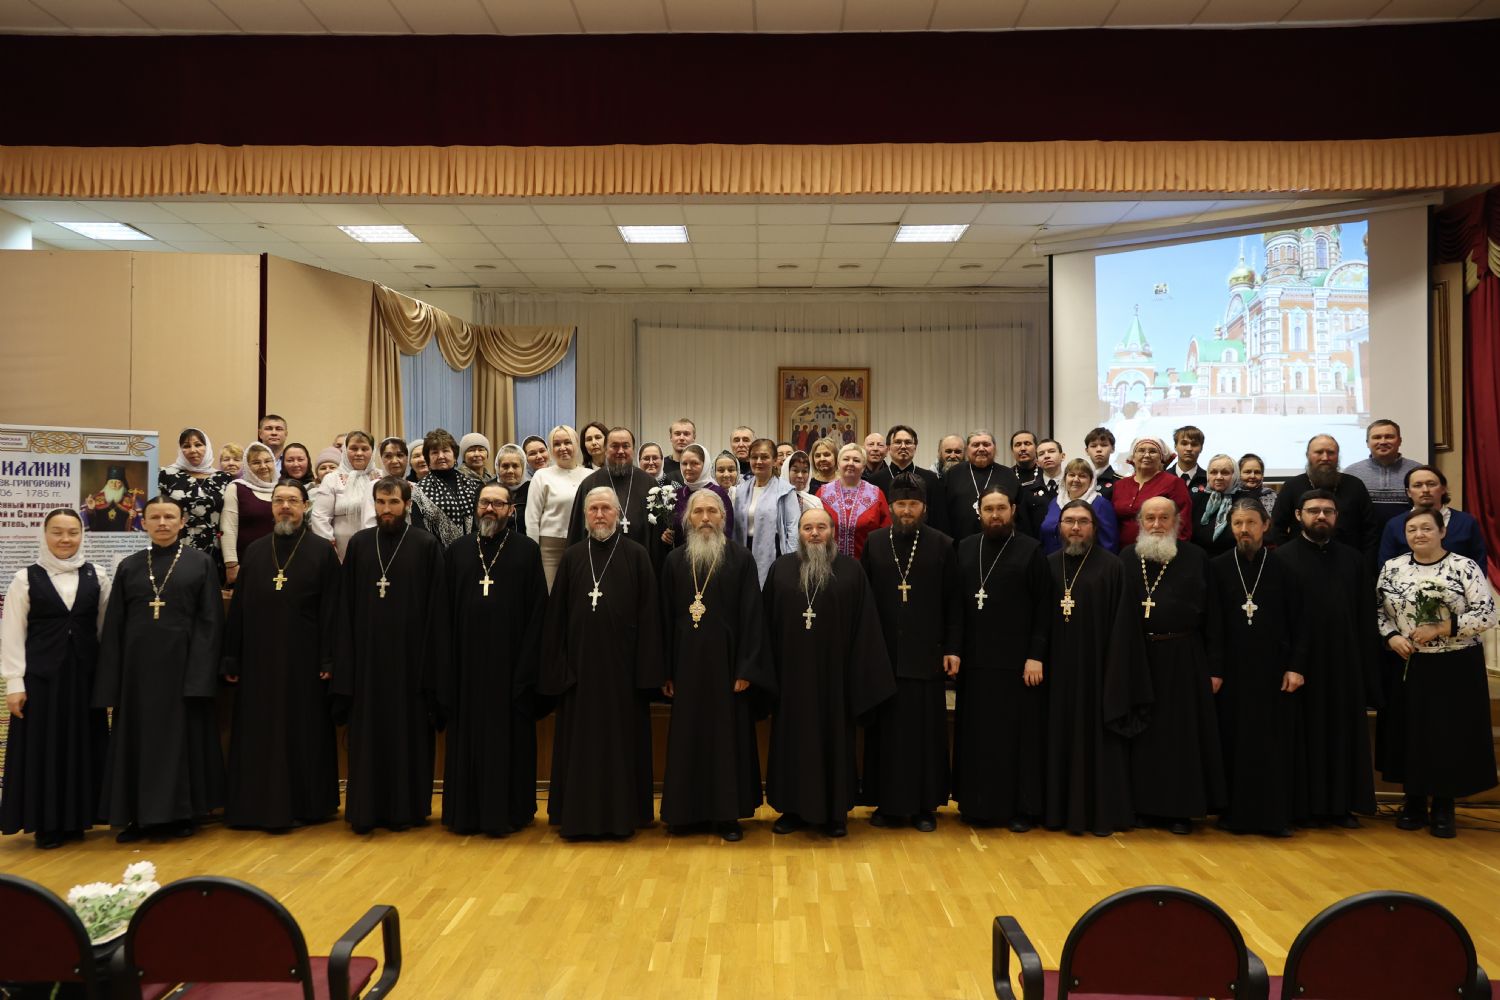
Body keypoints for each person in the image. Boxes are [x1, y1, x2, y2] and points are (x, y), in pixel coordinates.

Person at [94, 495, 225, 841]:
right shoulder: (130, 566)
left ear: (182, 522)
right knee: (138, 744)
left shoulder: (200, 563)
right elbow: (115, 626)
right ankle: (138, 817)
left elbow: (210, 623)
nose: (163, 523)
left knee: (180, 744)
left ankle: (182, 815)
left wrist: (200, 676)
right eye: (155, 517)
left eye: (169, 517)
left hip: (183, 670)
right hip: (137, 675)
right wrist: (112, 681)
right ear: (144, 523)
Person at [538, 487, 664, 839]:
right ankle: (577, 818)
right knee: (580, 747)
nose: (599, 515)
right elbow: (556, 619)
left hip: (623, 676)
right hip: (578, 675)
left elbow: (650, 617)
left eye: (606, 508)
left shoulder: (637, 555)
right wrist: (560, 669)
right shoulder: (573, 556)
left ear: (618, 514)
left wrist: (646, 675)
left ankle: (624, 816)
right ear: (584, 516)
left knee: (621, 746)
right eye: (593, 509)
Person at [763, 507, 894, 838]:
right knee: (792, 741)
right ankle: (792, 809)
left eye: (821, 527)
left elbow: (866, 627)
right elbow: (765, 627)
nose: (814, 533)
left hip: (836, 680)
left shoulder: (851, 571)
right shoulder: (781, 569)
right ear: (799, 533)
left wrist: (859, 678)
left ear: (832, 532)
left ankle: (835, 813)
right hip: (791, 679)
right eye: (808, 528)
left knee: (835, 741)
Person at [220, 479, 341, 831]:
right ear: (271, 507)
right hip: (258, 659)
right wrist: (232, 656)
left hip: (305, 660)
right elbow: (239, 609)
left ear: (306, 506)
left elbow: (332, 611)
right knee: (260, 731)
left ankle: (307, 804)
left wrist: (328, 659)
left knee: (302, 731)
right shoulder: (256, 551)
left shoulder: (322, 552)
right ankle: (255, 804)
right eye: (279, 501)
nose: (285, 507)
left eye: (292, 501)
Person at [333, 476, 450, 834]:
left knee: (408, 734)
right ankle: (366, 809)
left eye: (393, 503)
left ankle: (407, 809)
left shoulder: (426, 544)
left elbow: (437, 609)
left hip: (410, 663)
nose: (386, 510)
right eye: (381, 503)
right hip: (367, 662)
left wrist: (431, 665)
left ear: (407, 505)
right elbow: (345, 605)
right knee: (368, 736)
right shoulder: (359, 544)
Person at [659, 489, 775, 841]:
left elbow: (753, 617)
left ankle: (727, 816)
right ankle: (684, 813)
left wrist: (746, 669)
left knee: (727, 740)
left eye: (713, 511)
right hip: (686, 667)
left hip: (728, 668)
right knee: (688, 738)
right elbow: (663, 619)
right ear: (688, 519)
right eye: (699, 512)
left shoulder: (740, 559)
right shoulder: (674, 561)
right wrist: (666, 671)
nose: (706, 518)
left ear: (724, 518)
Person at [1376, 508, 1499, 838]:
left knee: (1448, 735)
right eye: (1412, 529)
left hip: (1455, 664)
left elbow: (1487, 614)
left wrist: (1442, 627)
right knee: (1412, 733)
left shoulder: (1464, 566)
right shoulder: (1392, 567)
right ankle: (1413, 801)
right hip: (1409, 662)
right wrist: (1392, 636)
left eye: (1427, 528)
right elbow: (1377, 611)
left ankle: (1444, 805)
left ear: (1442, 532)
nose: (1419, 534)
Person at [1111, 496, 1226, 834]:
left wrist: (1215, 668)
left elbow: (1214, 617)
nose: (1157, 525)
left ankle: (1179, 810)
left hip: (1183, 656)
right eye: (1150, 518)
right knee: (1142, 734)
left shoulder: (1196, 557)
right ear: (1139, 523)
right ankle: (1142, 807)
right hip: (1137, 656)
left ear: (1177, 522)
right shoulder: (1126, 558)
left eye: (1164, 518)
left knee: (1180, 736)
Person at [442, 482, 548, 837]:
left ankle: (510, 812)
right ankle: (465, 813)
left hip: (510, 667)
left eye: (498, 504)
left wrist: (527, 667)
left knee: (509, 740)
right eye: (484, 502)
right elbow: (442, 610)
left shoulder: (527, 551)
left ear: (511, 510)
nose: (490, 509)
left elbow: (538, 611)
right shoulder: (457, 551)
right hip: (466, 667)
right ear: (476, 507)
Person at [0, 509, 111, 848]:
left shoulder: (98, 575)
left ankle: (78, 819)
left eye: (73, 532)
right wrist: (14, 683)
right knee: (44, 750)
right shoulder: (25, 578)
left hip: (84, 679)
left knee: (82, 747)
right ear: (45, 534)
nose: (65, 539)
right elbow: (12, 634)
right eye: (58, 532)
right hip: (42, 681)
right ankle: (47, 823)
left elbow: (104, 630)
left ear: (82, 535)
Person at [860, 473, 961, 832]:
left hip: (926, 653)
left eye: (913, 504)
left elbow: (954, 602)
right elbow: (864, 601)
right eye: (900, 504)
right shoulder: (875, 543)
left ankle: (924, 807)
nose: (906, 511)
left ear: (924, 508)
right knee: (886, 735)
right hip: (883, 654)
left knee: (925, 734)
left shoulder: (943, 545)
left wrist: (952, 648)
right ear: (890, 507)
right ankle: (887, 804)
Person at [1274, 488, 1379, 827]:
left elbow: (1365, 616)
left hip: (1343, 662)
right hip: (1299, 665)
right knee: (1302, 735)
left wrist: (1365, 667)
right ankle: (1301, 807)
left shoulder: (1353, 560)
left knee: (1340, 734)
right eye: (1313, 510)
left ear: (1337, 517)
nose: (1321, 516)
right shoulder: (1281, 559)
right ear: (1298, 516)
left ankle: (1340, 807)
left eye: (1328, 511)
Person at [951, 487, 1050, 829]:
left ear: (1013, 511)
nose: (995, 515)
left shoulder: (1031, 550)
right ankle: (976, 804)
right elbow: (956, 604)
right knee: (977, 736)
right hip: (975, 663)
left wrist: (1035, 656)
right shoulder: (966, 547)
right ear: (979, 512)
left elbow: (1043, 608)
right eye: (989, 509)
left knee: (1014, 738)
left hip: (1016, 664)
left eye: (1001, 509)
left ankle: (1020, 809)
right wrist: (954, 649)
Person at [1210, 499, 1306, 837]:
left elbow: (1301, 622)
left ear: (1265, 525)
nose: (1244, 530)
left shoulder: (1284, 568)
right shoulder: (1217, 567)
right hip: (1233, 672)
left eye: (1250, 523)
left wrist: (1295, 666)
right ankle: (1234, 815)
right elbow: (1212, 625)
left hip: (1273, 671)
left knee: (1272, 745)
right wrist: (1214, 669)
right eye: (1238, 523)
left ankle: (1274, 817)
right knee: (1235, 742)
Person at [1043, 500, 1136, 836]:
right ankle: (1054, 811)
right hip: (1055, 672)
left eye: (1083, 522)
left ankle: (1098, 813)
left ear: (1095, 528)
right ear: (1059, 527)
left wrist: (1114, 673)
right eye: (1069, 521)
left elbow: (1123, 626)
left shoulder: (1112, 567)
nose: (1076, 528)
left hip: (1097, 672)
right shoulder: (1048, 565)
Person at [1270, 434, 1378, 555]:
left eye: (1331, 453)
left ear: (1338, 456)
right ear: (1307, 455)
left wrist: (1364, 562)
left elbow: (1370, 529)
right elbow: (1277, 528)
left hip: (1347, 559)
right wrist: (1287, 557)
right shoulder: (1292, 486)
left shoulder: (1355, 485)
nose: (1325, 457)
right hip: (1300, 559)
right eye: (1319, 452)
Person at [1377, 465, 1487, 568]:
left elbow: (1479, 564)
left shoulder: (1466, 522)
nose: (1425, 490)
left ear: (1443, 489)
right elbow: (1386, 566)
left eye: (1431, 484)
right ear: (1409, 492)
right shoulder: (1394, 525)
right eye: (1418, 485)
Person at [159, 427, 234, 576]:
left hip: (215, 547)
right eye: (186, 446)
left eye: (198, 445)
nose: (193, 450)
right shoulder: (167, 475)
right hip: (178, 544)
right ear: (180, 450)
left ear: (207, 447)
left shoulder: (223, 478)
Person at [566, 427, 658, 547]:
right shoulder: (589, 484)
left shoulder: (649, 484)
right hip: (598, 556)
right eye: (614, 446)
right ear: (605, 449)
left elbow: (657, 534)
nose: (620, 451)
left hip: (640, 555)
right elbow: (577, 532)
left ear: (633, 449)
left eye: (626, 446)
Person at [525, 424, 591, 590]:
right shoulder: (542, 476)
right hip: (550, 549)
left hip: (583, 544)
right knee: (550, 594)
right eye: (556, 444)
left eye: (567, 442)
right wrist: (533, 553)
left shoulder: (590, 475)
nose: (562, 448)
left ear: (576, 444)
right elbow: (532, 518)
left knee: (578, 593)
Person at [733, 438, 801, 586]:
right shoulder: (740, 490)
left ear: (775, 460)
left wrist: (790, 561)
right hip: (743, 549)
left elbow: (793, 528)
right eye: (754, 457)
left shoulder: (785, 490)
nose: (759, 461)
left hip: (773, 551)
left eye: (764, 457)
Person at [310, 430, 379, 560]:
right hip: (339, 551)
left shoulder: (381, 478)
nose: (359, 453)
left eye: (364, 449)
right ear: (345, 451)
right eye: (354, 448)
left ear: (373, 451)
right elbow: (320, 517)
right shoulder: (332, 479)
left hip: (376, 548)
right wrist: (330, 548)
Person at [1111, 435, 1190, 547]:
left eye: (1153, 451)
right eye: (1141, 450)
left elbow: (1183, 521)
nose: (1146, 455)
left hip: (1160, 550)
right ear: (1133, 456)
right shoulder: (1120, 485)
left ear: (1161, 458)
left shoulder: (1174, 483)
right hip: (1123, 551)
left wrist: (1176, 548)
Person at [1346, 418, 1423, 533]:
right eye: (1377, 437)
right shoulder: (1351, 473)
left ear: (1399, 441)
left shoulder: (1418, 471)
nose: (1383, 441)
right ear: (1367, 443)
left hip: (1407, 538)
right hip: (1364, 540)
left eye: (1389, 437)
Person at [943, 429, 1022, 541]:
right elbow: (943, 513)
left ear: (994, 448)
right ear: (967, 449)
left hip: (1002, 541)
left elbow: (1019, 515)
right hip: (959, 543)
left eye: (986, 444)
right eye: (975, 445)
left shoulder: (1009, 475)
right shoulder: (953, 474)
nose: (981, 449)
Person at [817, 443, 891, 560]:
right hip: (828, 562)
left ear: (863, 467)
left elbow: (886, 531)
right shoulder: (823, 492)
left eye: (856, 460)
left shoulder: (876, 494)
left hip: (866, 563)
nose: (850, 463)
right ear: (838, 464)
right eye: (846, 459)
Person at [411, 428, 482, 547]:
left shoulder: (472, 485)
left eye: (445, 451)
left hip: (472, 550)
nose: (441, 456)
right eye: (434, 452)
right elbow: (419, 531)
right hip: (436, 553)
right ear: (428, 459)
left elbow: (480, 522)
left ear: (455, 456)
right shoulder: (419, 490)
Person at [868, 424, 947, 532]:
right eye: (898, 442)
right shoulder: (874, 481)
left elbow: (939, 520)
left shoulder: (930, 479)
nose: (903, 446)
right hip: (885, 539)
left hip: (923, 538)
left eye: (908, 442)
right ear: (888, 447)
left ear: (915, 447)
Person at [221, 442, 278, 585]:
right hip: (247, 560)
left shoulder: (282, 487)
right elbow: (228, 528)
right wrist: (231, 564)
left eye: (267, 461)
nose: (263, 466)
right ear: (247, 466)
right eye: (256, 462)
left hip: (280, 559)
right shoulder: (236, 488)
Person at [659, 444, 733, 547]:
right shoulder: (677, 494)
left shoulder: (718, 494)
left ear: (705, 465)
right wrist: (668, 535)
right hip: (681, 554)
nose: (688, 468)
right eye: (684, 463)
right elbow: (676, 529)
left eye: (694, 463)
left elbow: (727, 532)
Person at [1039, 458, 1118, 554]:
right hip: (1052, 560)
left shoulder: (1101, 504)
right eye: (1071, 475)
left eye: (1082, 476)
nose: (1076, 479)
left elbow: (1109, 545)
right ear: (1064, 478)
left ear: (1091, 481)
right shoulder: (1055, 502)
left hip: (1089, 561)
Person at [1189, 454, 1239, 558]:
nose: (1219, 477)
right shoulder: (1196, 498)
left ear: (1235, 475)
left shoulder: (1245, 500)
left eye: (1225, 473)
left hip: (1233, 558)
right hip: (1199, 558)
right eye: (1214, 472)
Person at [1019, 438, 1066, 536]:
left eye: (1051, 451)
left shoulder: (1073, 486)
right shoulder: (1028, 490)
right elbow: (1025, 526)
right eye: (1041, 454)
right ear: (1037, 462)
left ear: (1062, 456)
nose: (1047, 456)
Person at [82, 462, 146, 532]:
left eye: (117, 482)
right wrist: (90, 509)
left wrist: (135, 517)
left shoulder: (132, 501)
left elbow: (140, 524)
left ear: (122, 484)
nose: (114, 485)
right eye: (111, 482)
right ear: (107, 483)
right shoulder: (95, 498)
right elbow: (90, 524)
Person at [494, 443, 528, 535]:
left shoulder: (533, 489)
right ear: (498, 468)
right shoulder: (488, 490)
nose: (510, 471)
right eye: (505, 466)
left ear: (523, 468)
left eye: (515, 466)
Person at [781, 449, 824, 514]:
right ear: (786, 471)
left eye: (804, 471)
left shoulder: (814, 503)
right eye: (795, 470)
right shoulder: (775, 499)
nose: (800, 475)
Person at [1167, 425, 1207, 491]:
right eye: (1184, 444)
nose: (1189, 449)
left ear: (1201, 448)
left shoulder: (1208, 480)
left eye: (1194, 444)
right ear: (1175, 446)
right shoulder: (1162, 479)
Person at [1084, 426, 1119, 499]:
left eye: (1104, 445)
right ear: (1087, 451)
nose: (1099, 449)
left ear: (1112, 449)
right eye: (1093, 446)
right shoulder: (1080, 479)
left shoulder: (1119, 482)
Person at [663, 417, 696, 482]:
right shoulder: (661, 466)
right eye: (677, 434)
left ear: (694, 438)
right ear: (671, 437)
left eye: (686, 434)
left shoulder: (701, 467)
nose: (681, 438)